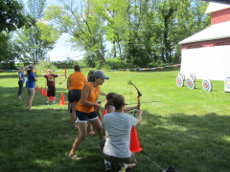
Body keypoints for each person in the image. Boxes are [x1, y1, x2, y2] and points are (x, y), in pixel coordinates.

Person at [69, 70, 109, 160]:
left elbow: (93, 100)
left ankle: (105, 148)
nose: (103, 81)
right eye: (102, 79)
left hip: (91, 111)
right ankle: (72, 152)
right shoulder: (87, 86)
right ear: (96, 79)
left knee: (100, 129)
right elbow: (83, 101)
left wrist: (96, 105)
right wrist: (96, 105)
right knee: (83, 135)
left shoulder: (98, 87)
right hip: (82, 111)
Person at [102, 94, 143, 170]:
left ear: (113, 104)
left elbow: (103, 133)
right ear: (123, 105)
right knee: (133, 161)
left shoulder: (106, 117)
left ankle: (108, 164)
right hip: (124, 156)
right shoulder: (128, 118)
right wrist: (140, 114)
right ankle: (124, 166)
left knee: (103, 140)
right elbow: (138, 121)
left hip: (107, 154)